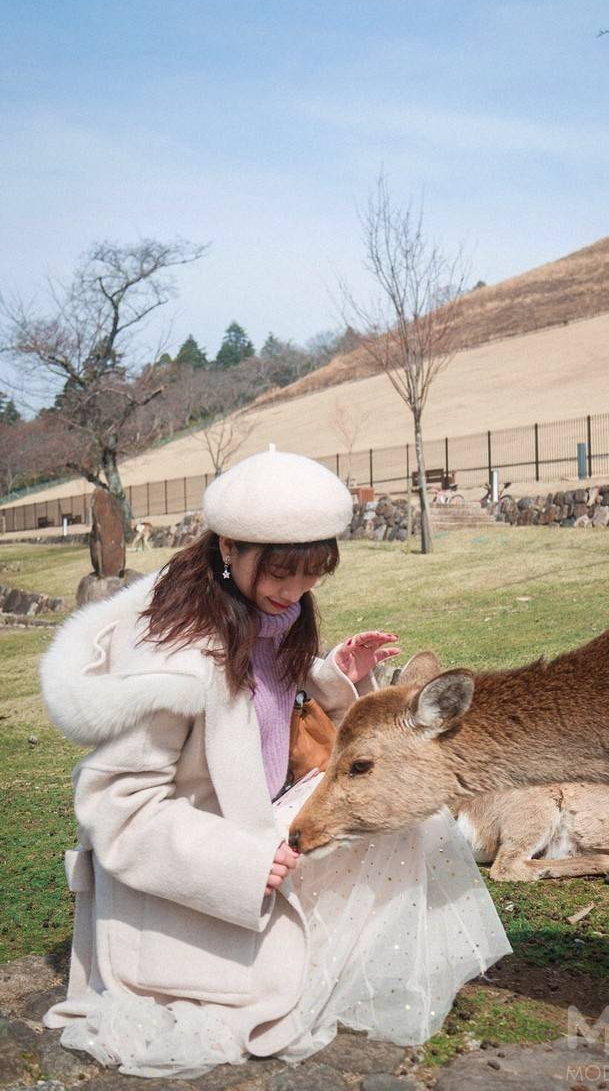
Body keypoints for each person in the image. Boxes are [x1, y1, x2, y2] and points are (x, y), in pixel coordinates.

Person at [40, 446, 510, 1078]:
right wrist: (244, 861)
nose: (294, 591)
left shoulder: (275, 616)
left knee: (405, 816)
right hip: (195, 870)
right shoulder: (174, 658)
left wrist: (337, 675)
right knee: (273, 984)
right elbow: (115, 808)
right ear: (228, 547)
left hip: (261, 821)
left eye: (312, 572)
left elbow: (269, 702)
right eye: (281, 573)